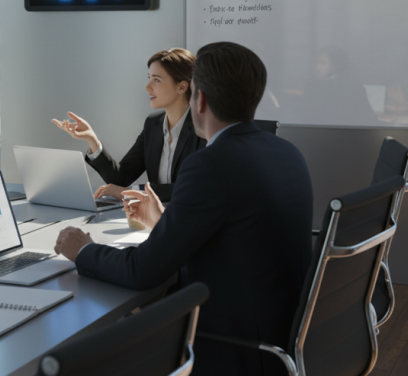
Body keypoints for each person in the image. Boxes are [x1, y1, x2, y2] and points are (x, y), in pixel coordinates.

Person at [54, 42, 314, 375]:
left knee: (98, 336)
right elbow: (236, 234)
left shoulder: (211, 163)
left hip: (233, 346)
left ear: (198, 99)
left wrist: (83, 250)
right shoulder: (288, 152)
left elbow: (142, 271)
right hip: (285, 334)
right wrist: (165, 221)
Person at [52, 48, 205, 203]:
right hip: (155, 214)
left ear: (181, 87)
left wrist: (134, 192)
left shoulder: (204, 128)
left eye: (156, 80)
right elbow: (121, 178)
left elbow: (195, 187)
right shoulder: (153, 124)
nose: (147, 87)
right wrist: (92, 140)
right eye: (149, 78)